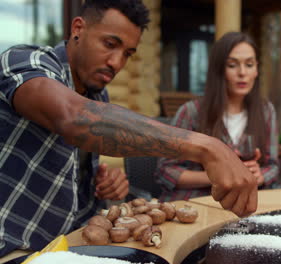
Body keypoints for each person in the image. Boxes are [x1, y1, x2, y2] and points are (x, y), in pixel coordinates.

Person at [0, 0, 257, 256]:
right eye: (110, 44)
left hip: (72, 245)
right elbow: (73, 117)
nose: (116, 62)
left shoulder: (98, 96)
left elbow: (73, 166)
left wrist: (105, 186)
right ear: (78, 28)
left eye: (127, 53)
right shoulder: (25, 61)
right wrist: (208, 148)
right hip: (13, 246)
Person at [156, 32, 279, 201]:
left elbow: (272, 166)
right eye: (232, 65)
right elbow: (165, 171)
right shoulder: (191, 112)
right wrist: (217, 175)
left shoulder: (266, 111)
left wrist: (259, 175)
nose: (242, 73)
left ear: (256, 69)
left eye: (249, 64)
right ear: (219, 69)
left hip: (245, 206)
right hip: (196, 205)